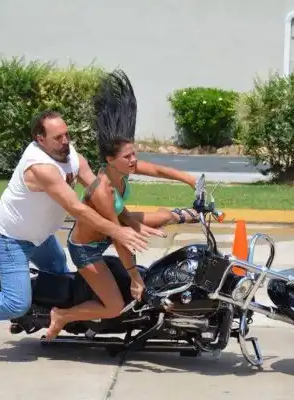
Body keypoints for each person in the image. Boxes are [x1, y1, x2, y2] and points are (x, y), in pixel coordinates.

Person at [0, 110, 166, 348]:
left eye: (66, 135)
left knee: (62, 282)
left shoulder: (71, 155)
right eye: (58, 137)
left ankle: (41, 316)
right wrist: (117, 231)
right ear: (40, 139)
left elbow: (100, 192)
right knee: (15, 303)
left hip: (41, 237)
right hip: (11, 239)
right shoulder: (40, 167)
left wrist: (129, 219)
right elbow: (76, 208)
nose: (65, 141)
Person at [45, 69, 199, 340]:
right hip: (88, 250)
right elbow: (119, 237)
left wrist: (190, 180)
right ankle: (62, 315)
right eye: (128, 156)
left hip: (112, 225)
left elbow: (158, 170)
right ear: (110, 159)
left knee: (164, 216)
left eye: (133, 154)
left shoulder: (125, 167)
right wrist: (135, 278)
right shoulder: (102, 190)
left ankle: (186, 214)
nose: (133, 160)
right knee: (114, 306)